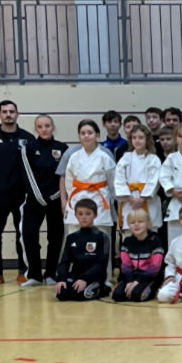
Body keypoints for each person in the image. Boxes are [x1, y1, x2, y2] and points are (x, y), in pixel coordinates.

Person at [0, 100, 33, 285]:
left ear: (17, 114)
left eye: (11, 111)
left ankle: (23, 271)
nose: (8, 114)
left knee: (22, 234)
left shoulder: (28, 138)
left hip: (22, 196)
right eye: (4, 111)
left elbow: (34, 169)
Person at [63, 119, 116, 285]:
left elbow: (112, 182)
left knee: (102, 239)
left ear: (97, 135)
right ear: (79, 136)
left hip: (99, 199)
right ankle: (75, 275)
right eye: (83, 133)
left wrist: (108, 198)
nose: (86, 136)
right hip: (78, 197)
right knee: (74, 239)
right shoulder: (74, 157)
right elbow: (69, 182)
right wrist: (75, 196)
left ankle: (105, 277)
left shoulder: (105, 156)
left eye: (90, 132)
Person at [19, 114, 68, 287]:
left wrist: (55, 196)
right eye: (40, 126)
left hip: (56, 201)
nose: (44, 129)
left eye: (47, 126)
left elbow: (66, 176)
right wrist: (39, 197)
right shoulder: (29, 148)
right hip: (34, 200)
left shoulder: (62, 148)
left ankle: (51, 273)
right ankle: (34, 274)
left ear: (52, 127)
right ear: (36, 129)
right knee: (29, 234)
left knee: (55, 237)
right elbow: (27, 174)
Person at [52, 198, 110, 301]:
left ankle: (102, 288)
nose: (84, 217)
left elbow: (101, 264)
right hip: (76, 275)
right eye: (80, 214)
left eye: (88, 214)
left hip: (93, 277)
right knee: (61, 293)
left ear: (95, 215)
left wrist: (84, 278)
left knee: (77, 294)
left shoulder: (102, 237)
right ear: (76, 215)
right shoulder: (71, 238)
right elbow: (64, 261)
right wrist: (61, 279)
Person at [114, 125, 162, 233]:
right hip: (129, 200)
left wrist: (142, 199)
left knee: (149, 233)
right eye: (134, 137)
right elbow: (119, 179)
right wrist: (130, 199)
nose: (137, 140)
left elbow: (154, 181)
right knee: (129, 232)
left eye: (140, 137)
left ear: (147, 139)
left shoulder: (153, 159)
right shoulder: (126, 157)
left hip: (148, 201)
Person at [112, 209, 163, 302]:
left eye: (140, 222)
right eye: (132, 222)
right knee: (117, 295)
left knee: (136, 295)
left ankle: (153, 288)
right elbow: (125, 266)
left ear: (148, 223)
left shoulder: (155, 240)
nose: (136, 225)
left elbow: (154, 267)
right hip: (132, 276)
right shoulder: (127, 241)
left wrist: (138, 281)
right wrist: (129, 281)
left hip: (149, 277)